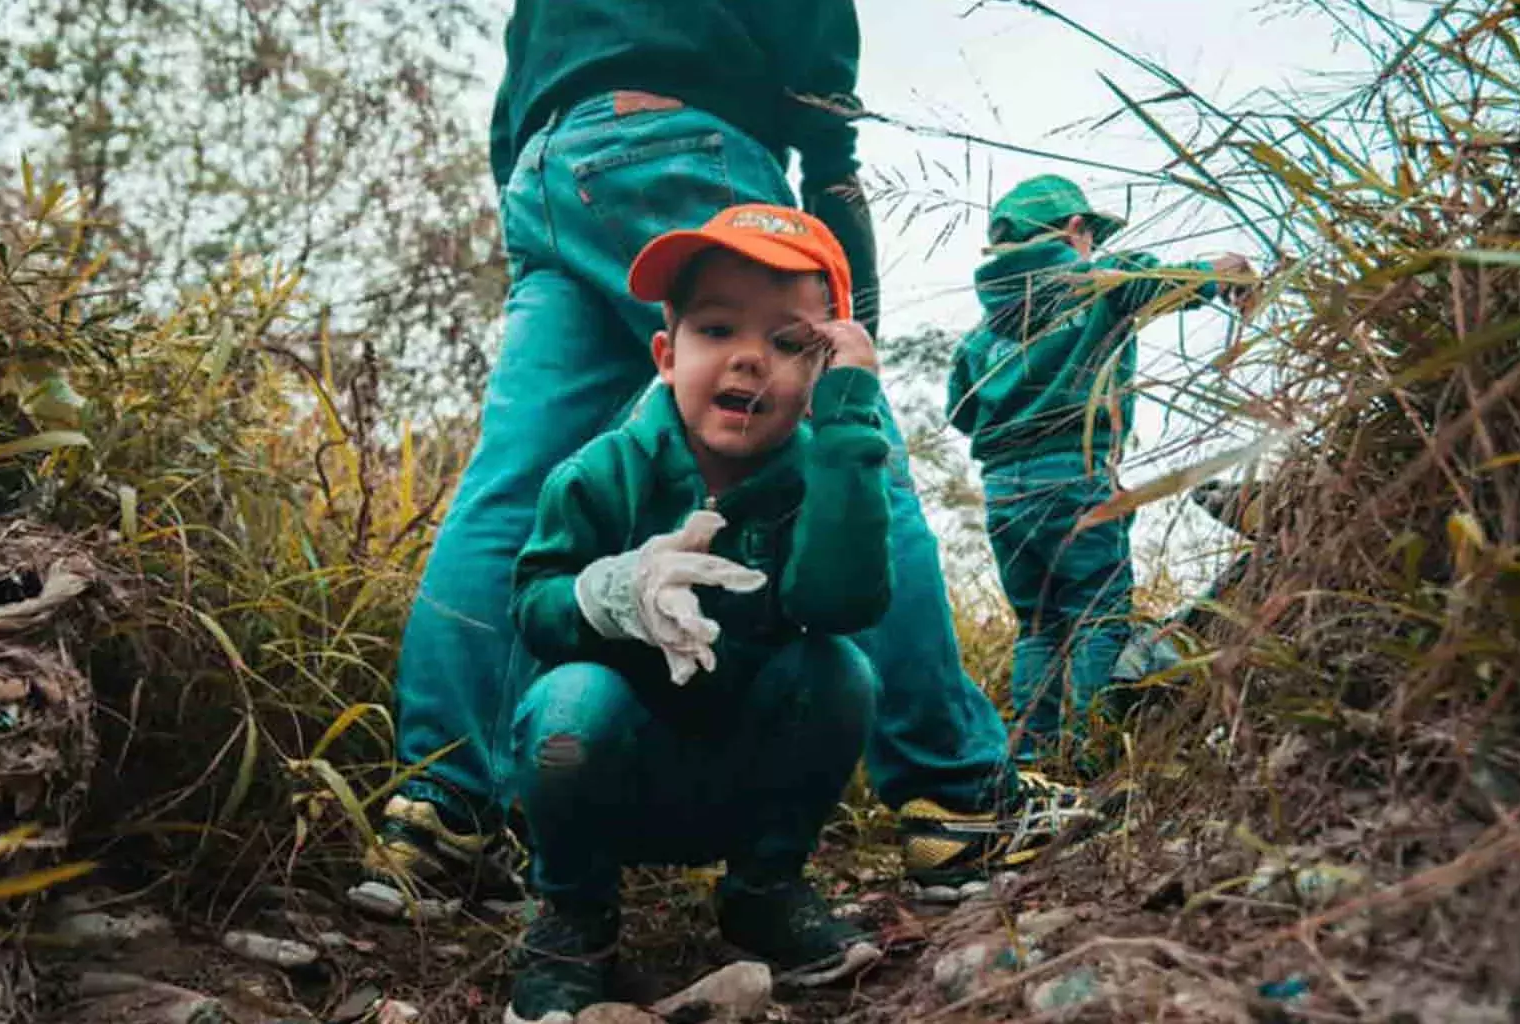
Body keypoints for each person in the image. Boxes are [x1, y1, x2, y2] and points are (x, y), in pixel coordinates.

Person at [371, 0, 1049, 906]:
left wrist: (547, 177)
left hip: (546, 174)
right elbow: (827, 122)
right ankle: (957, 793)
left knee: (511, 490)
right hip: (686, 147)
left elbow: (516, 100)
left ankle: (441, 809)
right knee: (856, 455)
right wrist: (852, 347)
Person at [502, 203, 887, 1023]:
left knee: (839, 671)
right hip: (608, 771)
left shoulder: (820, 473)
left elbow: (843, 603)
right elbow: (533, 606)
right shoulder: (599, 474)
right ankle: (574, 917)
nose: (750, 358)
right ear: (667, 356)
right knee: (568, 705)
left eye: (790, 344)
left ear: (823, 373)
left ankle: (764, 891)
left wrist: (852, 423)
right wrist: (611, 594)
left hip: (743, 773)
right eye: (717, 330)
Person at [945, 173, 1255, 775]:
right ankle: (1096, 759)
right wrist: (1231, 266)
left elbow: (961, 411)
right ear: (1075, 229)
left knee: (1037, 627)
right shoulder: (1100, 283)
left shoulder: (980, 335)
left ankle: (1033, 762)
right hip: (1076, 476)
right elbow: (1181, 282)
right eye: (1091, 235)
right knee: (1097, 615)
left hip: (1003, 493)